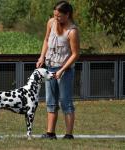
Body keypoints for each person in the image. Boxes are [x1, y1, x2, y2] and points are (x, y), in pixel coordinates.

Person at [36, 0, 80, 139]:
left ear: (67, 14)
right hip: (50, 67)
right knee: (51, 101)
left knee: (65, 102)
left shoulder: (72, 31)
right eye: (55, 15)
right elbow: (46, 40)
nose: (56, 18)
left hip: (65, 70)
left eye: (59, 16)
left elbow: (75, 54)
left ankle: (68, 135)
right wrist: (42, 57)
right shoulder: (51, 23)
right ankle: (50, 133)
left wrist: (62, 70)